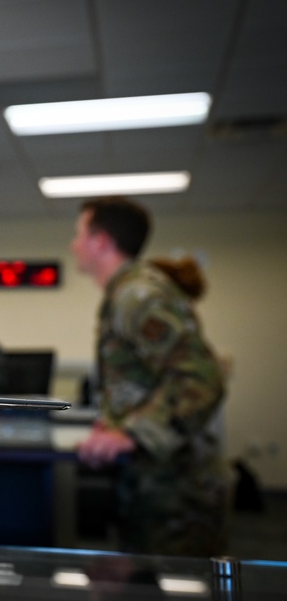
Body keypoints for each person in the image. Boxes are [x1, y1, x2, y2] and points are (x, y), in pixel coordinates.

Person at [71, 196, 228, 557]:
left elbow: (201, 381)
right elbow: (145, 383)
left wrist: (132, 434)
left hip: (178, 490)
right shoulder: (125, 293)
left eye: (79, 233)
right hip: (154, 484)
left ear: (102, 241)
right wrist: (115, 424)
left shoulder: (137, 296)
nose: (73, 244)